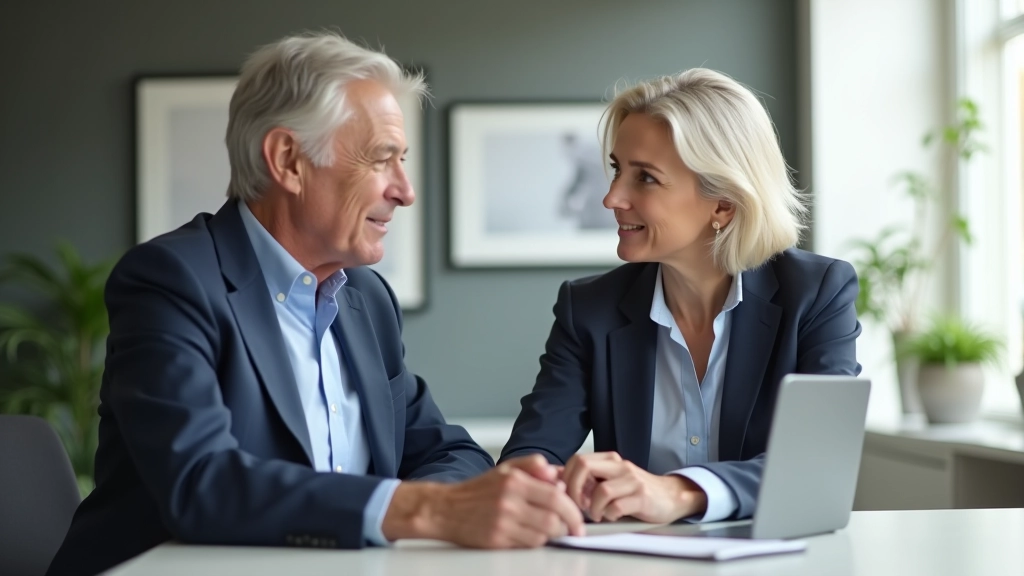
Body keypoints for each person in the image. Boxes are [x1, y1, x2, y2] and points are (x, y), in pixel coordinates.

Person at [47, 32, 582, 576]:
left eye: (402, 161)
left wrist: (447, 507)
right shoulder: (171, 281)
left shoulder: (366, 298)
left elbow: (449, 452)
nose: (405, 191)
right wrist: (429, 510)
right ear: (289, 161)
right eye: (382, 159)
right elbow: (202, 482)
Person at [500, 68, 862, 525]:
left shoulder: (816, 294)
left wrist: (680, 491)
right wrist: (549, 486)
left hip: (779, 555)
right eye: (617, 169)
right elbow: (531, 456)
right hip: (631, 556)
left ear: (723, 204)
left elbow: (818, 467)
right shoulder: (588, 308)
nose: (612, 198)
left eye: (646, 178)